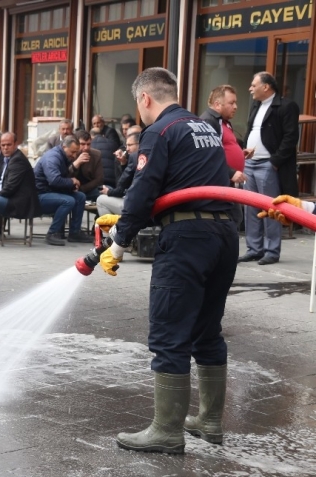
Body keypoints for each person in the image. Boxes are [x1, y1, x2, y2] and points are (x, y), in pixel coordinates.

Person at [96, 67, 237, 455]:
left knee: (169, 332)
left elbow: (144, 190)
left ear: (145, 99)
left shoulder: (158, 131)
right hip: (223, 234)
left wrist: (119, 241)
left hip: (187, 237)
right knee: (207, 332)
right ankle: (208, 421)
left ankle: (167, 431)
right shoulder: (204, 127)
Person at [239, 72, 300, 265]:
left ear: (266, 87)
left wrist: (275, 162)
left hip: (268, 164)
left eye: (253, 84)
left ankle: (271, 251)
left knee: (271, 208)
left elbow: (291, 137)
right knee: (250, 208)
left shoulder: (286, 106)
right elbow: (252, 131)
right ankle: (253, 249)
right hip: (250, 162)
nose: (250, 88)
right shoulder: (256, 105)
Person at [200, 85, 247, 227]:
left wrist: (240, 153)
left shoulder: (222, 121)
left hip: (226, 182)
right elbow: (207, 155)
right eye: (231, 103)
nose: (236, 106)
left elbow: (222, 148)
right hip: (218, 182)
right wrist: (231, 172)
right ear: (217, 104)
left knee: (234, 218)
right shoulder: (209, 121)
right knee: (230, 219)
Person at [33, 136, 92, 245]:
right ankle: (52, 233)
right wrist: (71, 181)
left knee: (80, 197)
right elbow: (54, 180)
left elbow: (60, 179)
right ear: (64, 147)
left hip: (50, 191)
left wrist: (71, 186)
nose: (74, 156)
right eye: (72, 152)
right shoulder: (52, 157)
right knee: (68, 201)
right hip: (40, 195)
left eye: (76, 153)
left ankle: (74, 233)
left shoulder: (63, 156)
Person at [96, 131, 140, 216]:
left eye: (130, 145)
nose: (127, 149)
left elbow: (121, 185)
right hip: (144, 203)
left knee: (101, 200)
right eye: (126, 145)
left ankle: (113, 229)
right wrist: (123, 163)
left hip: (136, 206)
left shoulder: (134, 158)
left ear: (139, 144)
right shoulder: (149, 156)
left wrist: (109, 192)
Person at [70, 130, 104, 202]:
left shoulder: (96, 154)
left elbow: (99, 179)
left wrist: (82, 188)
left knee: (107, 191)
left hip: (88, 188)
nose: (86, 148)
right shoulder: (70, 154)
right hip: (71, 189)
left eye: (88, 144)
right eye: (82, 144)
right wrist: (76, 164)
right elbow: (65, 174)